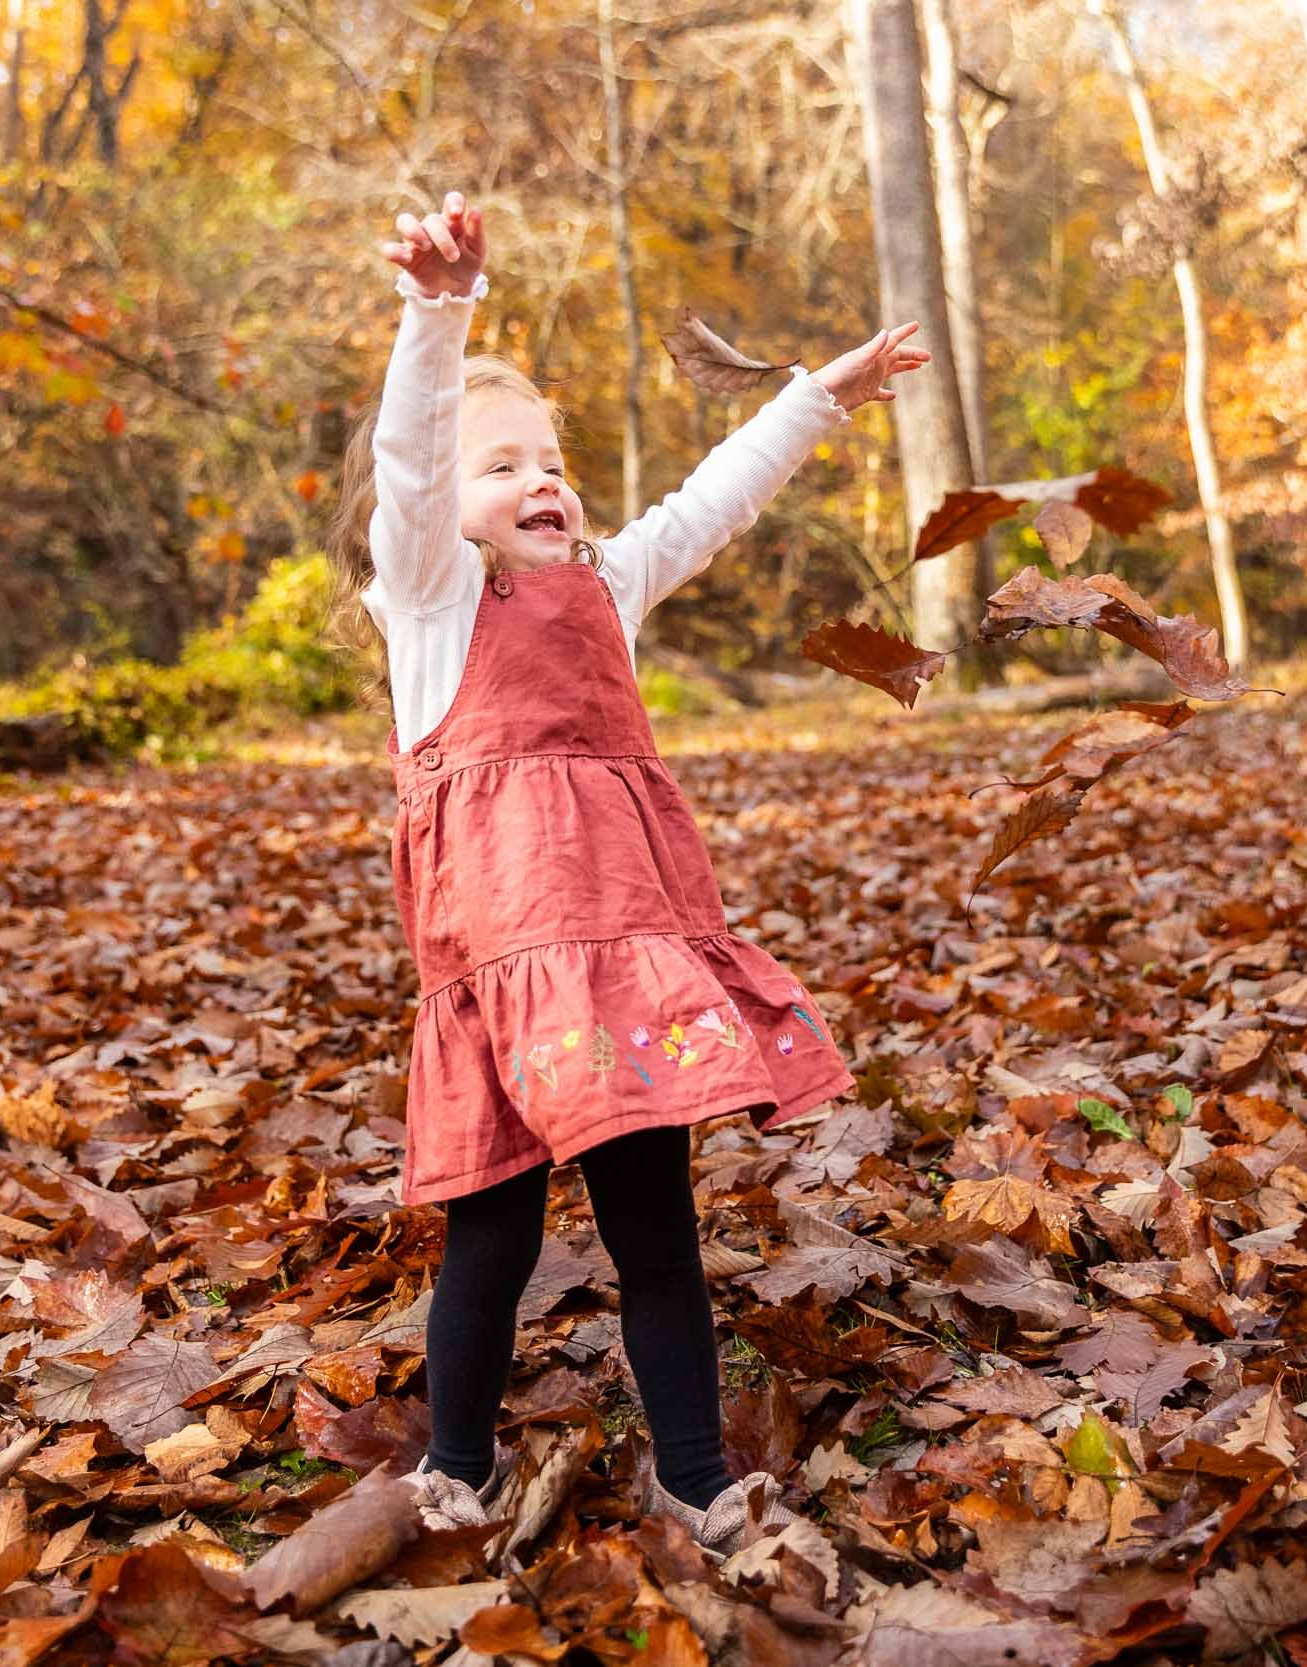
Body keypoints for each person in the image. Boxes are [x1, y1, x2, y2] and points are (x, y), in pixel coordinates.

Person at [325, 191, 928, 1562]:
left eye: (551, 458)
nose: (541, 479)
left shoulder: (606, 584)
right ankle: (459, 1469)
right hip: (498, 975)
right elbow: (412, 466)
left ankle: (699, 1474)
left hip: (624, 964)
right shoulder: (431, 604)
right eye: (503, 467)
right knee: (492, 1241)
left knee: (659, 1231)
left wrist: (814, 401)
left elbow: (708, 504)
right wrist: (438, 313)